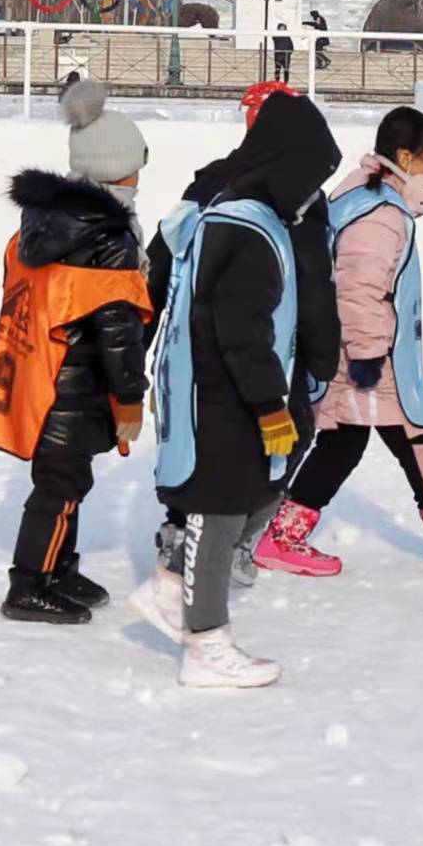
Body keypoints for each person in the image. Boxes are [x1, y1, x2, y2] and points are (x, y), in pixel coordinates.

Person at [129, 92, 342, 688]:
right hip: (224, 395)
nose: (312, 192)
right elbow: (240, 329)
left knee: (252, 496)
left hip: (240, 388)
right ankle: (206, 645)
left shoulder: (262, 215)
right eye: (311, 177)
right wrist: (271, 405)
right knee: (219, 509)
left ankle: (171, 588)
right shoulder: (244, 225)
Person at [260, 109, 423, 576]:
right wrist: (366, 355)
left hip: (358, 350)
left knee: (343, 442)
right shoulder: (380, 214)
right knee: (417, 438)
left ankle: (283, 535)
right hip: (370, 355)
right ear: (406, 156)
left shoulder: (364, 198)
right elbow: (358, 291)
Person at [0, 79, 152, 624]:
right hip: (75, 381)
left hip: (45, 372)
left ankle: (58, 567)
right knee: (60, 485)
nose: (140, 175)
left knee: (65, 480)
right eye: (135, 164)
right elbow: (117, 327)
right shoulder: (107, 238)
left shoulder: (48, 222)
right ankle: (28, 583)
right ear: (117, 170)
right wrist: (130, 398)